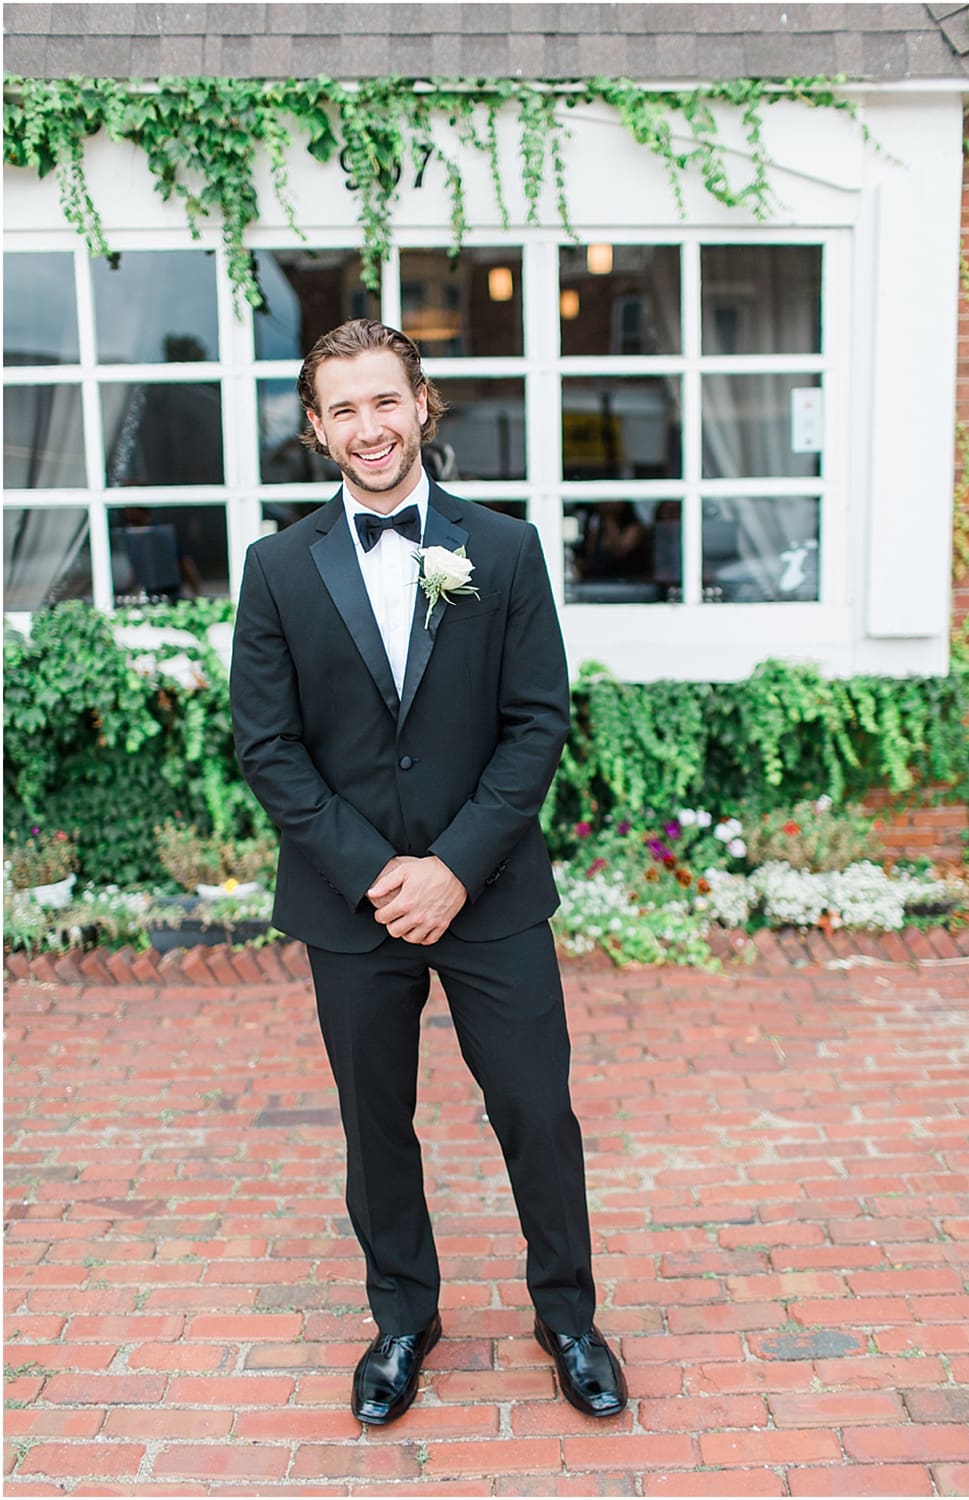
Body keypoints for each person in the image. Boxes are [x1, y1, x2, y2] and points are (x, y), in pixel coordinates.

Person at [231, 319, 626, 1425]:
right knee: (376, 1118)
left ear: (423, 405)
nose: (368, 427)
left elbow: (535, 721)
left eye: (384, 401)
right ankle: (403, 1316)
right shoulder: (275, 569)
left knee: (536, 1110)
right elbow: (268, 747)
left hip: (488, 890)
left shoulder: (501, 551)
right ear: (316, 428)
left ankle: (567, 1317)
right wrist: (377, 873)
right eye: (343, 409)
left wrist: (452, 866)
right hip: (351, 903)